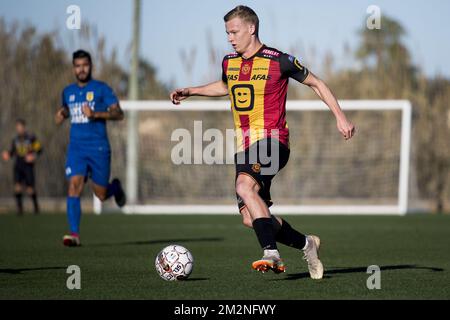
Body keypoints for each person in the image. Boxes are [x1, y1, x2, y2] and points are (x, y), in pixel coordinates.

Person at [170, 6, 355, 279]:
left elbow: (316, 83)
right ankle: (307, 244)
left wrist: (340, 117)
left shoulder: (278, 60)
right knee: (251, 217)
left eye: (234, 32)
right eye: (227, 33)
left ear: (251, 28)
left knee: (244, 186)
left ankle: (271, 253)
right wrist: (192, 90)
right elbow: (225, 86)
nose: (230, 38)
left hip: (273, 141)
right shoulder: (229, 62)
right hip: (245, 146)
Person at [55, 49, 126, 247]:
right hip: (77, 148)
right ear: (73, 68)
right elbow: (64, 112)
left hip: (99, 148)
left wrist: (96, 114)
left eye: (85, 65)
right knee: (74, 186)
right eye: (77, 66)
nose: (82, 69)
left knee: (101, 195)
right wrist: (60, 115)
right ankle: (74, 235)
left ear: (91, 65)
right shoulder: (67, 92)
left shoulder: (101, 89)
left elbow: (119, 114)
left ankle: (116, 187)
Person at [2, 119, 42, 215]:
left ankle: (36, 208)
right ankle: (20, 210)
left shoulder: (31, 138)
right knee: (17, 187)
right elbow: (12, 152)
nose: (19, 129)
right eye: (17, 127)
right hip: (18, 166)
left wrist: (33, 156)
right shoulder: (15, 139)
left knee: (30, 189)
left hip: (28, 166)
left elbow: (39, 150)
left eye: (20, 127)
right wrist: (7, 154)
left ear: (24, 127)